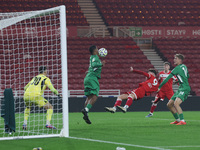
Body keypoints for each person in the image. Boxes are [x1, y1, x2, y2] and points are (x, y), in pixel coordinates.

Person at [158, 54, 190, 125]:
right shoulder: (184, 66)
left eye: (176, 58)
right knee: (169, 104)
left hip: (184, 88)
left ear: (180, 60)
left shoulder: (176, 68)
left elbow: (167, 79)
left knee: (176, 103)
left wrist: (159, 87)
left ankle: (183, 121)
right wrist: (179, 81)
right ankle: (178, 120)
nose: (174, 60)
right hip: (181, 88)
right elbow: (187, 76)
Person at [81, 45, 106, 124]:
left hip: (88, 77)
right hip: (92, 78)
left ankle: (86, 114)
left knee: (89, 97)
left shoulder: (92, 57)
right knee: (95, 96)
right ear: (95, 50)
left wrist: (89, 71)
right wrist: (101, 64)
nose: (98, 50)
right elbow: (94, 65)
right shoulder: (95, 57)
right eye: (97, 49)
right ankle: (86, 110)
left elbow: (92, 66)